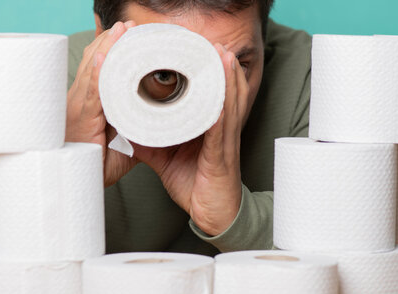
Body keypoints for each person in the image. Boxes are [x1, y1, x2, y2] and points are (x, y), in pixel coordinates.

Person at [66, 0, 310, 256]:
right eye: (164, 74)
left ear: (264, 35)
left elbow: (344, 237)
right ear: (100, 33)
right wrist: (67, 176)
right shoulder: (50, 88)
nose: (205, 104)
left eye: (237, 66)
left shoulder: (316, 79)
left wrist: (236, 217)